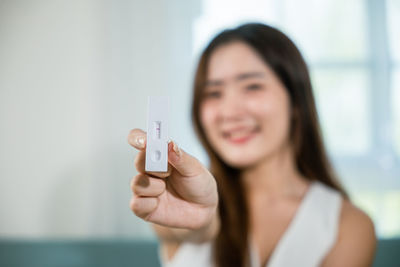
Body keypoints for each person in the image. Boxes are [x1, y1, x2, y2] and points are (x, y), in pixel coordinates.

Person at [127, 23, 376, 267]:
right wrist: (202, 222)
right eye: (213, 93)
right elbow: (194, 229)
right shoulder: (180, 197)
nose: (229, 111)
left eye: (252, 87)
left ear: (296, 102)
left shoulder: (348, 225)